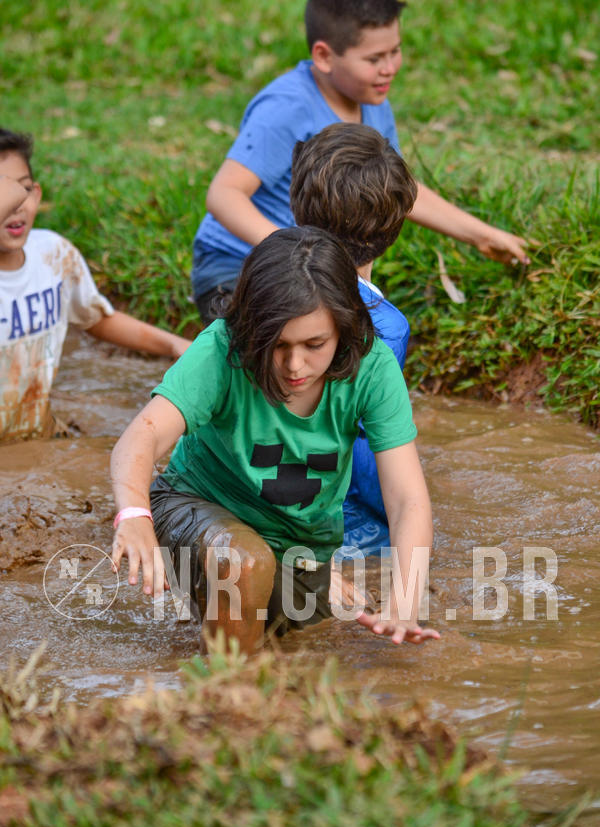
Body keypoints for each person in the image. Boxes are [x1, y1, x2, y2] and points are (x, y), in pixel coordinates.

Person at [111, 227, 440, 654]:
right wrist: (134, 515)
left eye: (314, 344)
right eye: (277, 344)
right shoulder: (222, 350)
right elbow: (141, 437)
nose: (294, 365)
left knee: (302, 645)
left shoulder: (372, 366)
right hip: (193, 507)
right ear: (251, 329)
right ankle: (226, 690)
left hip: (300, 549)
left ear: (343, 329)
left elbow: (407, 499)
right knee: (243, 563)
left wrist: (404, 602)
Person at [191, 0, 530, 323]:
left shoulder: (371, 99)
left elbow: (395, 188)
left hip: (317, 271)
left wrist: (482, 236)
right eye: (374, 58)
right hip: (236, 266)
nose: (389, 68)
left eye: (395, 51)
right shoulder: (287, 108)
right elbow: (224, 194)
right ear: (324, 56)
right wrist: (302, 254)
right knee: (290, 346)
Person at [0, 129, 191, 443]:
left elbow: (96, 318)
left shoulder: (54, 256)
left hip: (38, 432)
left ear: (36, 194)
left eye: (22, 190)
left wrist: (174, 345)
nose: (15, 205)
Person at [290, 121, 417, 553]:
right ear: (395, 228)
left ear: (297, 210)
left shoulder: (269, 281)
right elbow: (366, 450)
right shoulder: (382, 327)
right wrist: (394, 515)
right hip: (327, 523)